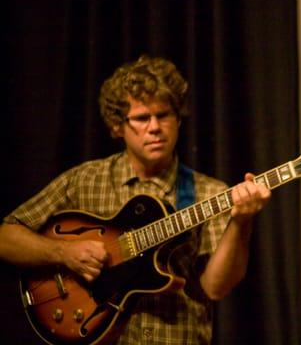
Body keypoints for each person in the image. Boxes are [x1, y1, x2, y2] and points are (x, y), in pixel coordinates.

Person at [0, 55, 271, 344]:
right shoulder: (84, 180)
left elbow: (215, 287)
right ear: (118, 126)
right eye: (142, 118)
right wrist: (63, 253)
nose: (155, 127)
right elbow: (6, 237)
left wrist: (241, 222)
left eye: (164, 115)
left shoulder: (208, 192)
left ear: (178, 119)